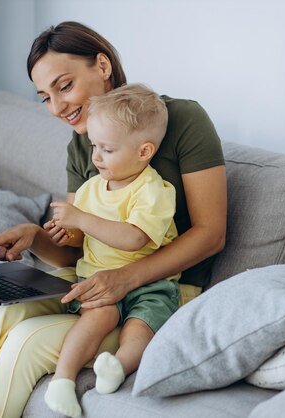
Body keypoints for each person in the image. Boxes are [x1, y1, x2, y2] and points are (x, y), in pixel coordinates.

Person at [0, 21, 226, 418]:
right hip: (94, 275)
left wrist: (126, 279)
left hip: (155, 295)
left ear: (102, 65)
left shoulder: (183, 119)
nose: (57, 108)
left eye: (64, 87)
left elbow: (211, 233)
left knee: (23, 344)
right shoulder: (84, 146)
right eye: (45, 97)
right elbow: (74, 250)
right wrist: (35, 238)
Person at [43, 83, 181, 417]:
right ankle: (62, 381)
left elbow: (135, 238)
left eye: (107, 149)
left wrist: (81, 218)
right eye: (94, 146)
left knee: (140, 327)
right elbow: (80, 236)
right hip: (97, 279)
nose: (96, 157)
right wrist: (66, 230)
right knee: (98, 317)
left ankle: (117, 367)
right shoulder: (92, 187)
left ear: (144, 152)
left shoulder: (155, 190)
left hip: (150, 283)